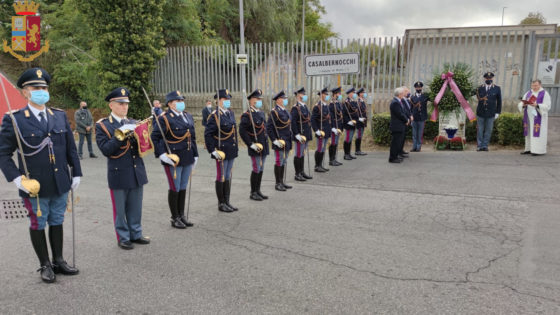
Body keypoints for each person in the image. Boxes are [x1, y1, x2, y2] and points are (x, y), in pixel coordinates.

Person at [0, 67, 82, 283]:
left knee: (57, 220)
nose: (41, 91)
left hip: (60, 181)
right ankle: (44, 264)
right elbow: (3, 153)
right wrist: (19, 180)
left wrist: (76, 174)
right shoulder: (15, 119)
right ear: (24, 92)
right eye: (35, 87)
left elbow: (70, 148)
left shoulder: (59, 116)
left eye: (44, 87)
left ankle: (58, 260)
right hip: (34, 184)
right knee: (38, 222)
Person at [95, 87, 150, 250]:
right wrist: (120, 135)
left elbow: (144, 147)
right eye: (120, 104)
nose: (124, 107)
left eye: (126, 104)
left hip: (136, 171)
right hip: (118, 173)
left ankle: (136, 233)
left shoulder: (133, 122)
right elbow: (106, 150)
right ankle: (123, 237)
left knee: (135, 207)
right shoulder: (103, 126)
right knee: (120, 209)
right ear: (111, 105)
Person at [151, 90, 198, 229]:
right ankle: (175, 217)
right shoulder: (164, 118)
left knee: (183, 186)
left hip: (187, 156)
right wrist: (162, 155)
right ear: (170, 104)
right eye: (178, 101)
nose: (181, 103)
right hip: (173, 158)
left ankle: (182, 215)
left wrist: (195, 155)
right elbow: (156, 137)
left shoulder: (187, 116)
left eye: (182, 100)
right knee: (175, 187)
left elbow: (192, 137)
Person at [204, 89, 239, 212]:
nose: (228, 101)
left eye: (228, 99)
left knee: (228, 175)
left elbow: (234, 132)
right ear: (218, 101)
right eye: (225, 99)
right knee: (221, 176)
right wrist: (212, 150)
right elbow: (208, 134)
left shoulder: (230, 113)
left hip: (230, 149)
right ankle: (221, 203)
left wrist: (236, 147)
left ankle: (227, 201)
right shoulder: (214, 116)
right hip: (221, 151)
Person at [239, 89, 269, 200]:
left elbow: (264, 129)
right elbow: (242, 131)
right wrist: (250, 144)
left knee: (261, 168)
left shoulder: (260, 113)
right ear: (251, 100)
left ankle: (258, 190)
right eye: (257, 99)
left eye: (260, 99)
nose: (259, 101)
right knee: (256, 168)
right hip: (255, 146)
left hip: (263, 145)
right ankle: (253, 192)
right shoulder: (247, 115)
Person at [267, 90, 293, 191]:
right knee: (279, 161)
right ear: (278, 100)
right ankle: (278, 183)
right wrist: (274, 140)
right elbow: (269, 128)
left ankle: (282, 181)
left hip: (287, 140)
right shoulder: (274, 112)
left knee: (284, 160)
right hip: (280, 140)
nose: (285, 100)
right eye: (283, 98)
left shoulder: (285, 110)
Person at [518, 79, 551, 156]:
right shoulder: (528, 93)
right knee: (528, 132)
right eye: (533, 85)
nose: (534, 87)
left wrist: (537, 105)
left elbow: (548, 106)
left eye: (536, 85)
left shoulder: (544, 93)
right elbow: (522, 102)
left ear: (540, 85)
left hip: (539, 117)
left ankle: (537, 150)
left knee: (537, 132)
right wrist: (523, 105)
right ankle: (528, 149)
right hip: (528, 116)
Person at [290, 87, 313, 181]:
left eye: (304, 94)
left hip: (305, 134)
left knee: (302, 153)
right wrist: (296, 134)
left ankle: (302, 172)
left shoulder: (304, 106)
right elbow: (293, 122)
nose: (304, 96)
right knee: (298, 154)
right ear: (298, 96)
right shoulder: (295, 108)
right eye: (303, 94)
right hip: (300, 134)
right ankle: (297, 173)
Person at [476, 72, 502, 152]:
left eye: (490, 78)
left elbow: (499, 101)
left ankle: (485, 145)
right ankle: (479, 146)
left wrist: (498, 112)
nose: (489, 80)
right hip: (480, 112)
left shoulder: (497, 88)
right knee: (480, 129)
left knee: (488, 130)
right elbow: (474, 95)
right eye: (487, 78)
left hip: (491, 113)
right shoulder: (480, 88)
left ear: (492, 79)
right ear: (485, 79)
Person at [311, 88, 331, 172]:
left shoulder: (325, 105)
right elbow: (313, 120)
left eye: (327, 94)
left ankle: (321, 165)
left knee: (323, 149)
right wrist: (316, 130)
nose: (326, 96)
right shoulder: (317, 106)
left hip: (326, 130)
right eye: (325, 94)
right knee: (319, 148)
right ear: (321, 95)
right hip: (320, 131)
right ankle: (317, 166)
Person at [389, 87, 410, 163]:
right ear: (399, 94)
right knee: (395, 143)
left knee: (398, 142)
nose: (403, 95)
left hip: (400, 125)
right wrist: (406, 120)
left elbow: (403, 112)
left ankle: (396, 156)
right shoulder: (395, 102)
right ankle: (392, 158)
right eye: (402, 93)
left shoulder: (398, 101)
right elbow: (400, 114)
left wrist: (406, 119)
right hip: (396, 126)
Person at [410, 82, 429, 152]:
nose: (418, 88)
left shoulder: (425, 96)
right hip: (414, 118)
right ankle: (414, 147)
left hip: (422, 118)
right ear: (415, 88)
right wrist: (411, 115)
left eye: (420, 87)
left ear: (421, 88)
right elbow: (410, 108)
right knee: (414, 134)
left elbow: (433, 98)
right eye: (417, 87)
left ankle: (418, 147)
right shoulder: (412, 97)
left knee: (420, 134)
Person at [342, 87, 360, 160]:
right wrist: (348, 121)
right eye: (353, 93)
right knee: (347, 139)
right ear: (350, 94)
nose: (355, 94)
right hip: (348, 124)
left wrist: (356, 121)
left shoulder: (353, 101)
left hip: (354, 123)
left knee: (351, 138)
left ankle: (349, 153)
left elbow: (355, 112)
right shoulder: (346, 102)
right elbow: (344, 114)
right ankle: (346, 154)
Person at [328, 87, 344, 166]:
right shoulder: (331, 104)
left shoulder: (338, 103)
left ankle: (334, 158)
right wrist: (333, 128)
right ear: (335, 94)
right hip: (334, 127)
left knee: (336, 143)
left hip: (339, 126)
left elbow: (340, 115)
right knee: (333, 143)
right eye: (339, 93)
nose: (340, 95)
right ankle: (331, 160)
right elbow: (331, 117)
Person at [400, 87, 413, 159]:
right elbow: (403, 111)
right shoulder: (401, 100)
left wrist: (410, 115)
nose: (408, 93)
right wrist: (407, 119)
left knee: (403, 137)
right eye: (407, 92)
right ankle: (399, 151)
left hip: (407, 120)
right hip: (404, 121)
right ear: (403, 92)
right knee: (401, 138)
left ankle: (401, 150)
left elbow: (409, 109)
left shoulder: (407, 100)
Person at [355, 88, 368, 155]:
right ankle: (357, 150)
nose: (364, 94)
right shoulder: (358, 101)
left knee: (360, 135)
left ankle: (359, 149)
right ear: (360, 94)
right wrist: (359, 118)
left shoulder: (362, 101)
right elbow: (356, 112)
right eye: (363, 93)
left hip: (363, 121)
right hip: (359, 122)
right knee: (359, 135)